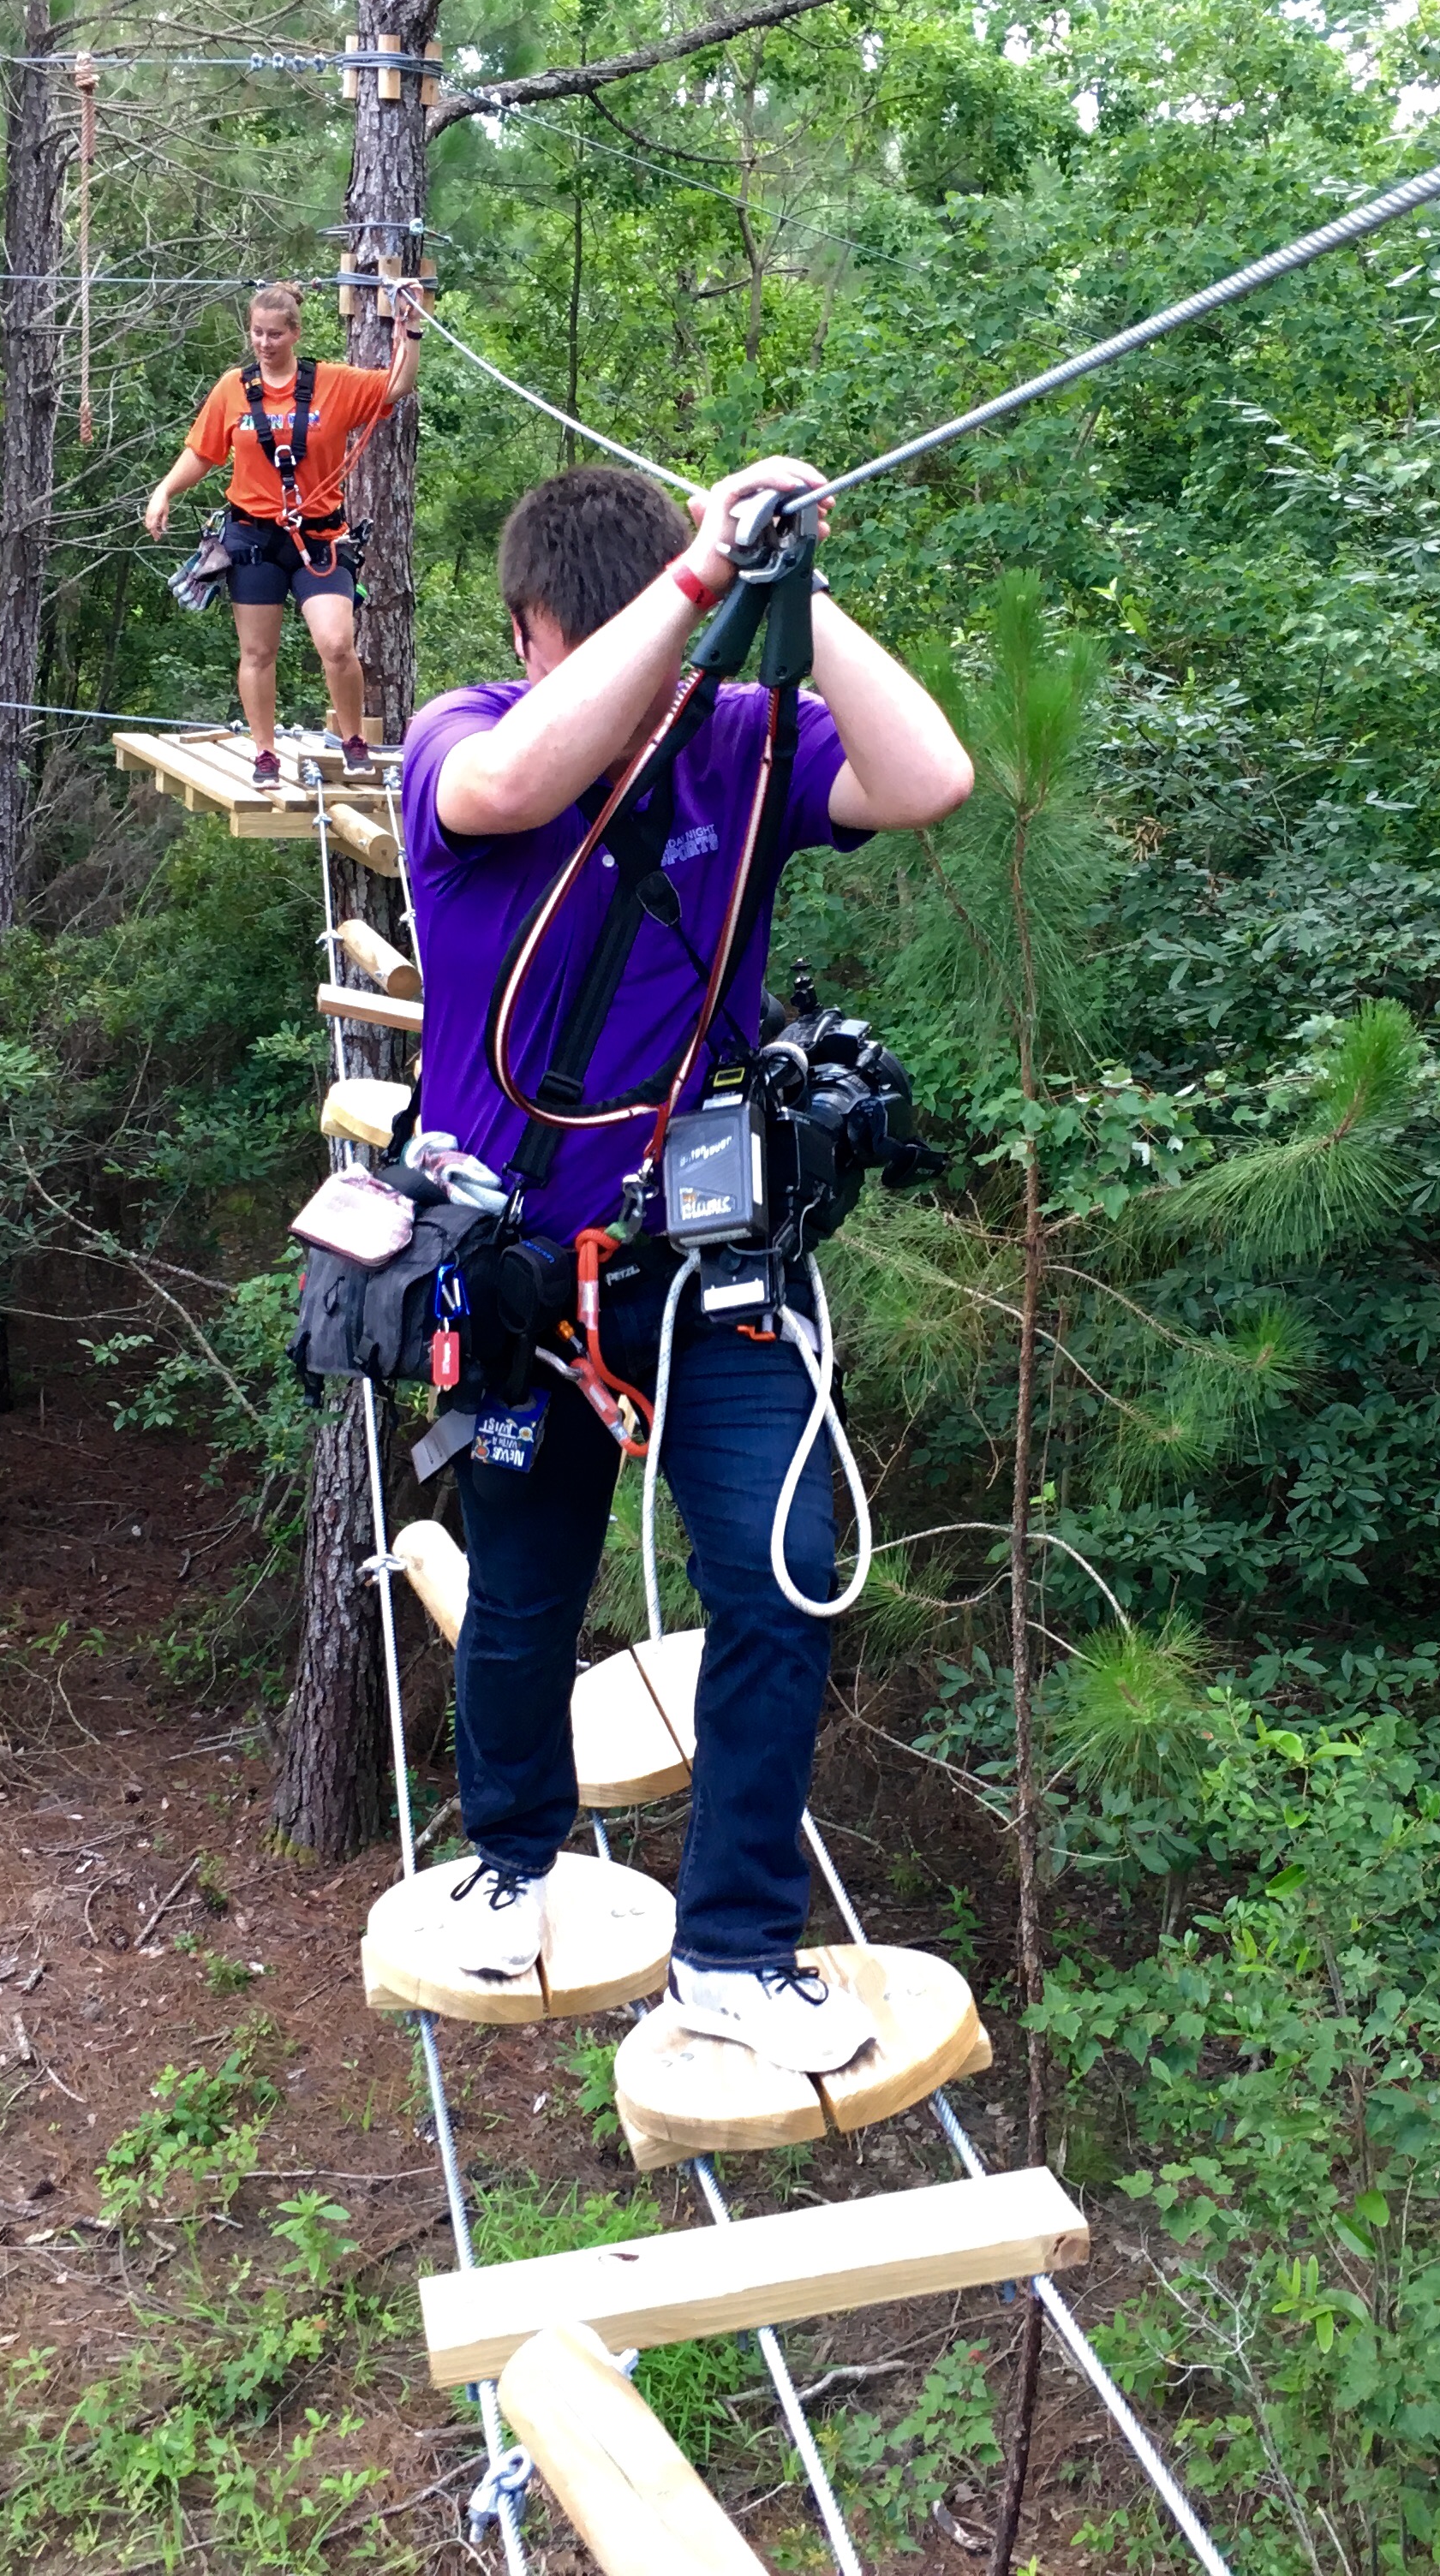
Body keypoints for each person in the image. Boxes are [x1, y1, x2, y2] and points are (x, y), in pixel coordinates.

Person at [397, 458, 973, 2075]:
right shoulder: (462, 735)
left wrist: (792, 579)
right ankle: (509, 1863)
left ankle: (733, 1949)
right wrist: (695, 590)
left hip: (704, 1257)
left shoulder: (743, 736)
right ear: (530, 636)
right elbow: (511, 785)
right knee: (521, 1586)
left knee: (782, 1575)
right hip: (516, 1258)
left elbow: (930, 776)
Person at [144, 278, 426, 783]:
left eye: (274, 334)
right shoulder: (234, 388)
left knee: (337, 644)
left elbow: (395, 385)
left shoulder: (332, 384)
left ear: (294, 333)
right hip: (253, 538)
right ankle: (265, 751)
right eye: (256, 333)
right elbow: (204, 452)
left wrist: (410, 329)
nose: (264, 343)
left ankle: (354, 737)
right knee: (257, 651)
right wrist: (164, 491)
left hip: (318, 539)